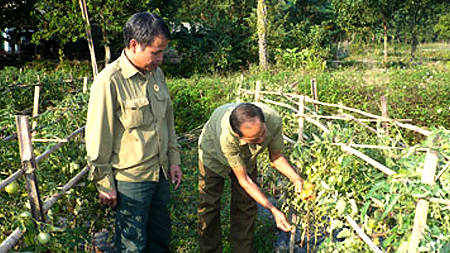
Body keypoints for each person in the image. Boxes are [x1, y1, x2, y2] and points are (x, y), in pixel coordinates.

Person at [85, 12, 182, 253]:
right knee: (132, 246)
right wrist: (104, 182)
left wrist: (174, 160)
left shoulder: (156, 73)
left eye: (163, 52)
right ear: (133, 45)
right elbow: (98, 138)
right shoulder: (109, 81)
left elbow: (167, 121)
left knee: (160, 238)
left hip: (159, 173)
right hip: (131, 180)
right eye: (156, 52)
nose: (161, 58)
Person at [198, 102, 303, 253]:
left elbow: (276, 157)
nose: (261, 140)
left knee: (246, 205)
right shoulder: (227, 138)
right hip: (213, 155)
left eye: (263, 133)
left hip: (247, 158)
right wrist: (272, 209)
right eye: (254, 139)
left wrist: (296, 179)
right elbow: (244, 181)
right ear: (237, 135)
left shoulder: (273, 119)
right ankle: (210, 250)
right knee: (209, 206)